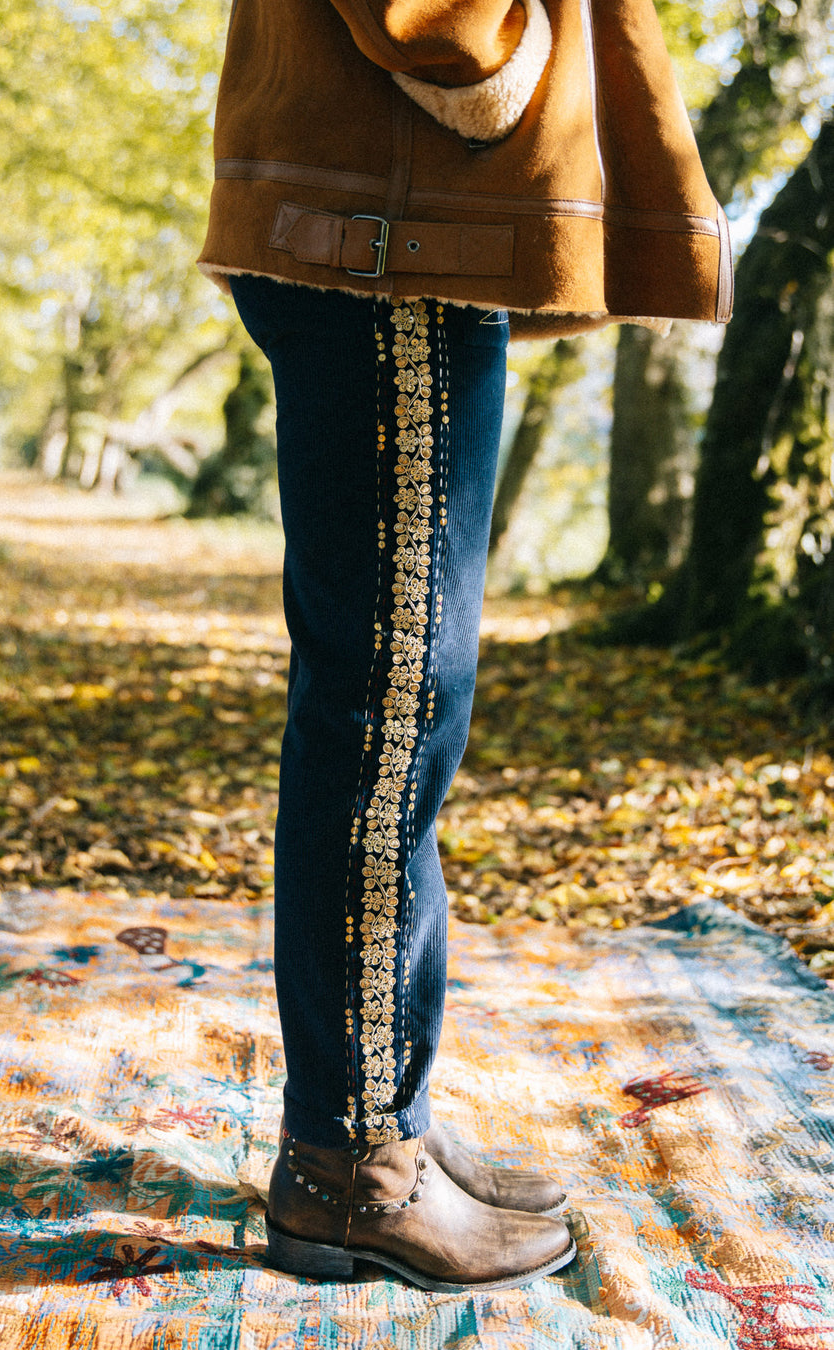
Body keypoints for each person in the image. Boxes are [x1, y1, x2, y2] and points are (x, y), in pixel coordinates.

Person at [197, 0, 730, 1292]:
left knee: (391, 707)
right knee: (389, 711)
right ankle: (353, 1164)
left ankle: (383, 1118)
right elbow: (428, 15)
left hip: (392, 220)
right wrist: (504, 63)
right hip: (394, 224)